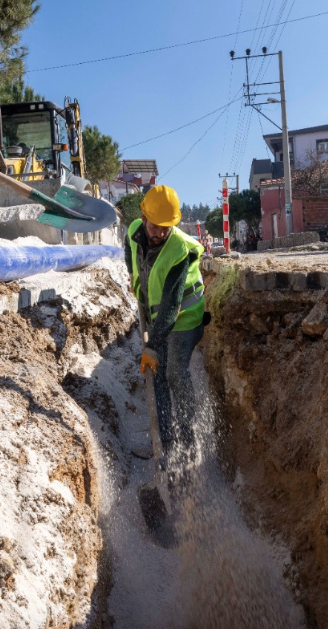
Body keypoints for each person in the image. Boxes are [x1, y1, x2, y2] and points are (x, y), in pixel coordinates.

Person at [124, 185, 207, 461]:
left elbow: (171, 307)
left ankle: (189, 440)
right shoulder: (134, 230)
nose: (160, 233)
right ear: (144, 218)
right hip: (157, 316)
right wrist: (134, 277)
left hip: (185, 318)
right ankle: (164, 443)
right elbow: (129, 250)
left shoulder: (179, 250)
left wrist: (152, 347)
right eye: (155, 226)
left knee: (174, 372)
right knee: (157, 376)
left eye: (166, 227)